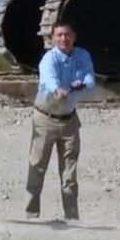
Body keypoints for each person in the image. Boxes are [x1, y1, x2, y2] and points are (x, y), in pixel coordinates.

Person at [24, 20, 95, 220]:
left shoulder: (82, 56)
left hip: (70, 119)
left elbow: (90, 82)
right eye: (59, 35)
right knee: (37, 167)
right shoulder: (49, 59)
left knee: (69, 173)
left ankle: (72, 218)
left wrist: (77, 86)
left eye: (67, 35)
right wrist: (59, 89)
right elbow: (50, 80)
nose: (64, 39)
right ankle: (31, 216)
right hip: (46, 117)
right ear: (53, 38)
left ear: (74, 37)